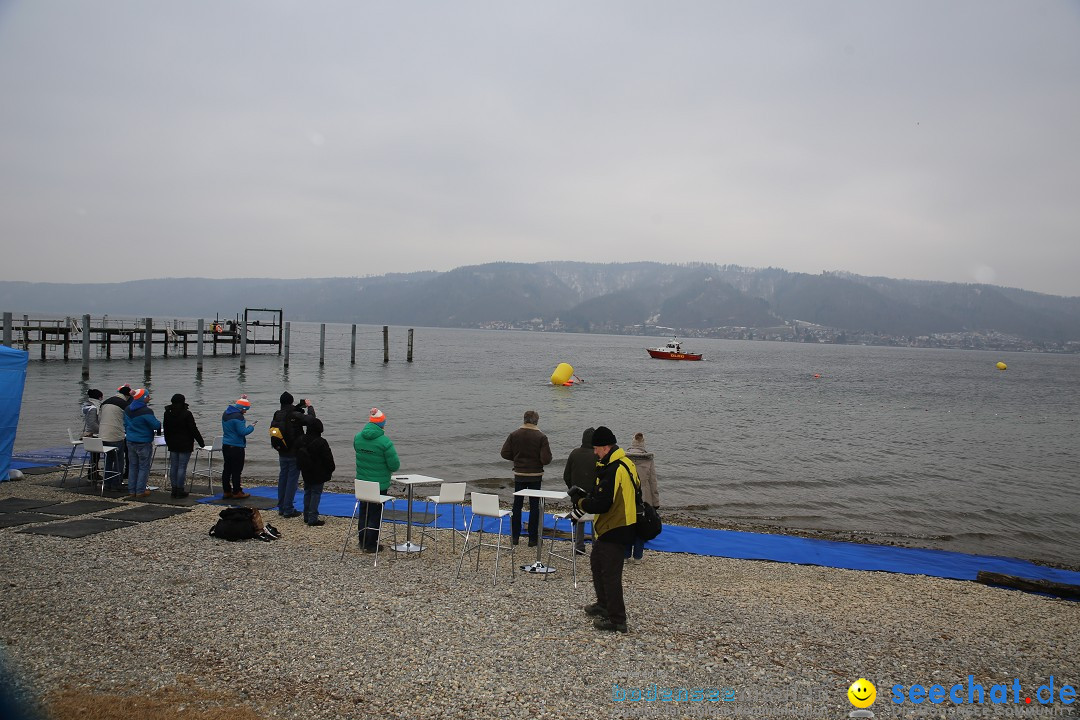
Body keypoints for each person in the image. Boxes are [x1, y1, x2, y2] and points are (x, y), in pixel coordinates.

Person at [568, 426, 637, 633]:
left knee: (610, 574)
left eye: (596, 448)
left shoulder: (615, 469)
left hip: (616, 526)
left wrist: (581, 503)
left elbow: (603, 504)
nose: (595, 452)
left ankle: (617, 620)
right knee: (597, 563)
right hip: (613, 525)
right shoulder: (623, 463)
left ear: (606, 447)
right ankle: (603, 605)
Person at [500, 409, 552, 546]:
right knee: (534, 507)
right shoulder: (541, 437)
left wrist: (516, 458)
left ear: (524, 420)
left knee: (517, 505)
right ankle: (532, 539)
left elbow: (504, 453)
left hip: (519, 474)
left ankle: (515, 537)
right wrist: (537, 459)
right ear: (536, 421)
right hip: (535, 475)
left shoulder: (514, 434)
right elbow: (546, 459)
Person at [353, 407, 400, 552]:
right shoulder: (384, 442)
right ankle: (371, 543)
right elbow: (394, 465)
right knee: (375, 513)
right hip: (379, 484)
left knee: (364, 511)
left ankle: (362, 541)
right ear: (382, 424)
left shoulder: (357, 438)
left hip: (362, 482)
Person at [271, 391, 316, 519]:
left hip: (281, 451)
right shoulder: (294, 415)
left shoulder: (277, 414)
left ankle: (281, 507)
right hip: (294, 452)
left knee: (283, 479)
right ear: (291, 402)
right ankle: (288, 509)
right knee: (292, 481)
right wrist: (309, 407)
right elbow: (311, 420)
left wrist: (298, 408)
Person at [623, 432, 659, 561]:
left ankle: (626, 555)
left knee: (628, 525)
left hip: (628, 496)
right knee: (642, 525)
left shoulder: (624, 458)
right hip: (644, 497)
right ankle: (638, 556)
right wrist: (655, 502)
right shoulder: (649, 460)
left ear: (632, 442)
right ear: (643, 443)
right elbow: (653, 482)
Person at [162, 393, 205, 499]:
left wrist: (168, 441)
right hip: (185, 443)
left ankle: (174, 489)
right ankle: (180, 489)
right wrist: (201, 442)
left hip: (172, 442)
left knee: (174, 466)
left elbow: (166, 429)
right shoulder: (186, 413)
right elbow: (193, 429)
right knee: (182, 467)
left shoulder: (167, 413)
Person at [562, 427, 595, 556]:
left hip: (577, 495)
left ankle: (579, 546)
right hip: (593, 495)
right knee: (595, 520)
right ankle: (596, 545)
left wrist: (573, 489)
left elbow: (566, 476)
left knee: (578, 518)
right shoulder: (597, 455)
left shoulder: (574, 453)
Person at [295, 418, 334, 526]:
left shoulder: (301, 439)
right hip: (318, 472)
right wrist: (331, 469)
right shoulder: (321, 442)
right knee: (316, 493)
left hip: (305, 470)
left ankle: (306, 515)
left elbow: (297, 454)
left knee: (307, 492)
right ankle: (312, 518)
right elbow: (328, 458)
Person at [123, 388, 161, 499]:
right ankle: (140, 490)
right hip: (143, 441)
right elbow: (155, 425)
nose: (149, 398)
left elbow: (125, 424)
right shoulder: (146, 411)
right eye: (148, 396)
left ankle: (132, 490)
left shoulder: (127, 409)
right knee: (143, 467)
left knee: (133, 466)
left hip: (130, 440)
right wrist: (159, 423)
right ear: (143, 398)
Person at [220, 395, 255, 499]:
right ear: (242, 409)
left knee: (227, 469)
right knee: (237, 470)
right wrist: (251, 427)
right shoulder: (239, 417)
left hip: (226, 445)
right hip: (236, 447)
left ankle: (226, 491)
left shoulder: (226, 413)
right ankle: (237, 491)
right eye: (245, 410)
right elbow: (242, 432)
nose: (245, 412)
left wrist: (243, 398)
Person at [98, 384, 132, 490]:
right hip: (116, 437)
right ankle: (116, 483)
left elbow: (99, 419)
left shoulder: (105, 402)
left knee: (108, 459)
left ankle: (107, 483)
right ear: (127, 396)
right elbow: (129, 421)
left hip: (102, 436)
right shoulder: (124, 404)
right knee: (119, 460)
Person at [81, 389, 104, 484]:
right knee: (95, 456)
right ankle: (93, 474)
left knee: (94, 456)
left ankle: (93, 473)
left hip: (89, 433)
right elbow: (92, 424)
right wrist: (102, 430)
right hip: (93, 435)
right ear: (99, 397)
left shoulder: (87, 406)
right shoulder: (93, 408)